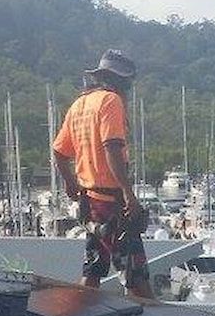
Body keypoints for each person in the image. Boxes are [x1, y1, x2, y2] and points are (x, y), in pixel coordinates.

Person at [52, 49, 153, 297]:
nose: (128, 87)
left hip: (91, 204)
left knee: (93, 270)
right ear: (120, 80)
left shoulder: (79, 105)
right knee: (136, 279)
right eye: (127, 82)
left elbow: (59, 152)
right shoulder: (111, 101)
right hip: (112, 205)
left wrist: (71, 183)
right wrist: (129, 194)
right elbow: (112, 148)